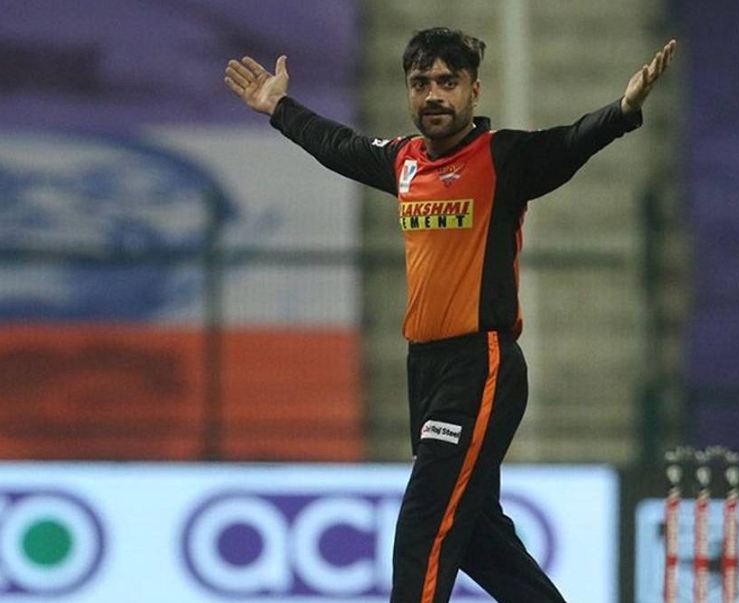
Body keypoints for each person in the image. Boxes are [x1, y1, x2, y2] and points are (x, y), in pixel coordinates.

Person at [225, 27, 676, 603]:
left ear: (474, 91)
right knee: (478, 534)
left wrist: (623, 110)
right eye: (421, 83)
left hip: (479, 364)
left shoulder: (502, 159)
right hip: (427, 368)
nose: (433, 95)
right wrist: (279, 108)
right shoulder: (404, 162)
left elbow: (567, 143)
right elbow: (337, 144)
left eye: (447, 82)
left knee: (425, 521)